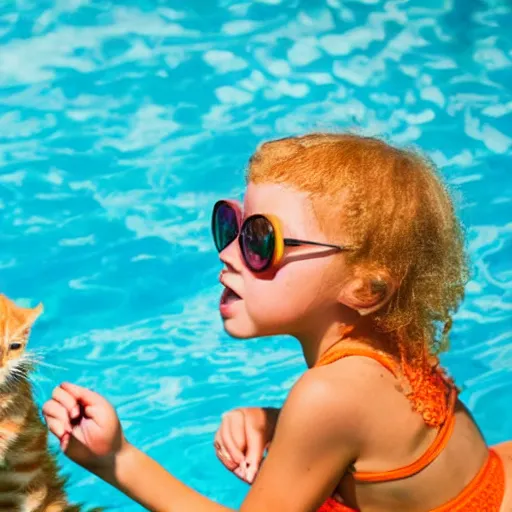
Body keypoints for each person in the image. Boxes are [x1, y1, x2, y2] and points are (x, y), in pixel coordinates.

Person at [42, 133, 512, 512]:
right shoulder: (386, 338)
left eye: (261, 240)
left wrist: (117, 459)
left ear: (365, 289)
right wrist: (277, 422)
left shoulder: (325, 396)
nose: (227, 254)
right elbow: (369, 429)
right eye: (232, 226)